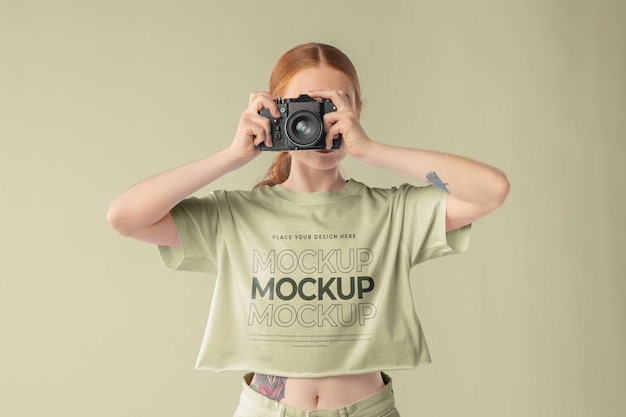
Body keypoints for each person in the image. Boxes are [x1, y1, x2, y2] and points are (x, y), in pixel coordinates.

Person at [107, 42, 510, 417]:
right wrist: (232, 157)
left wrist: (372, 149)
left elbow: (491, 191)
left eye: (335, 104)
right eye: (305, 107)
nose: (318, 121)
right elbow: (125, 217)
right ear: (274, 111)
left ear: (357, 109)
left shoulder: (393, 212)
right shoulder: (236, 215)